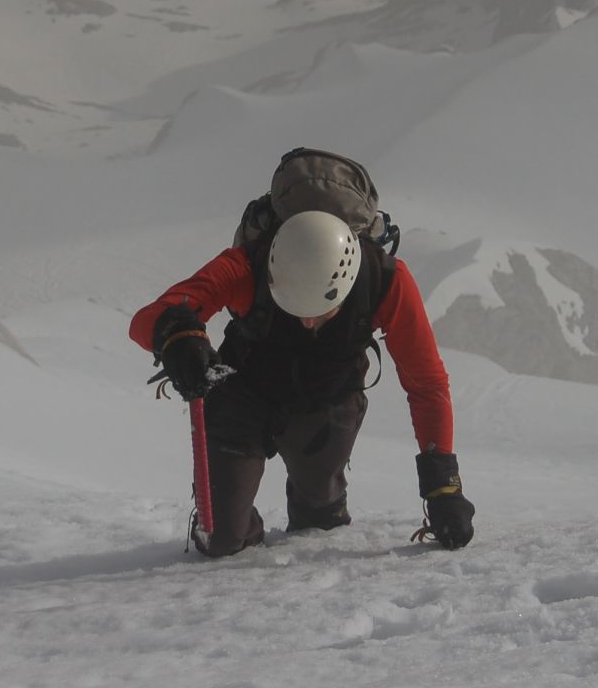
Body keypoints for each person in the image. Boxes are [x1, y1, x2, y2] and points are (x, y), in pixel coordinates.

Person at [130, 208, 476, 556]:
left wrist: (443, 486)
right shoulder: (247, 265)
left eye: (321, 310)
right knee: (220, 537)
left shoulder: (384, 279)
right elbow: (149, 319)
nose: (308, 322)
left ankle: (324, 503)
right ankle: (235, 531)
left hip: (328, 400)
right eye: (295, 307)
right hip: (242, 392)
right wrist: (177, 336)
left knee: (319, 523)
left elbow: (426, 383)